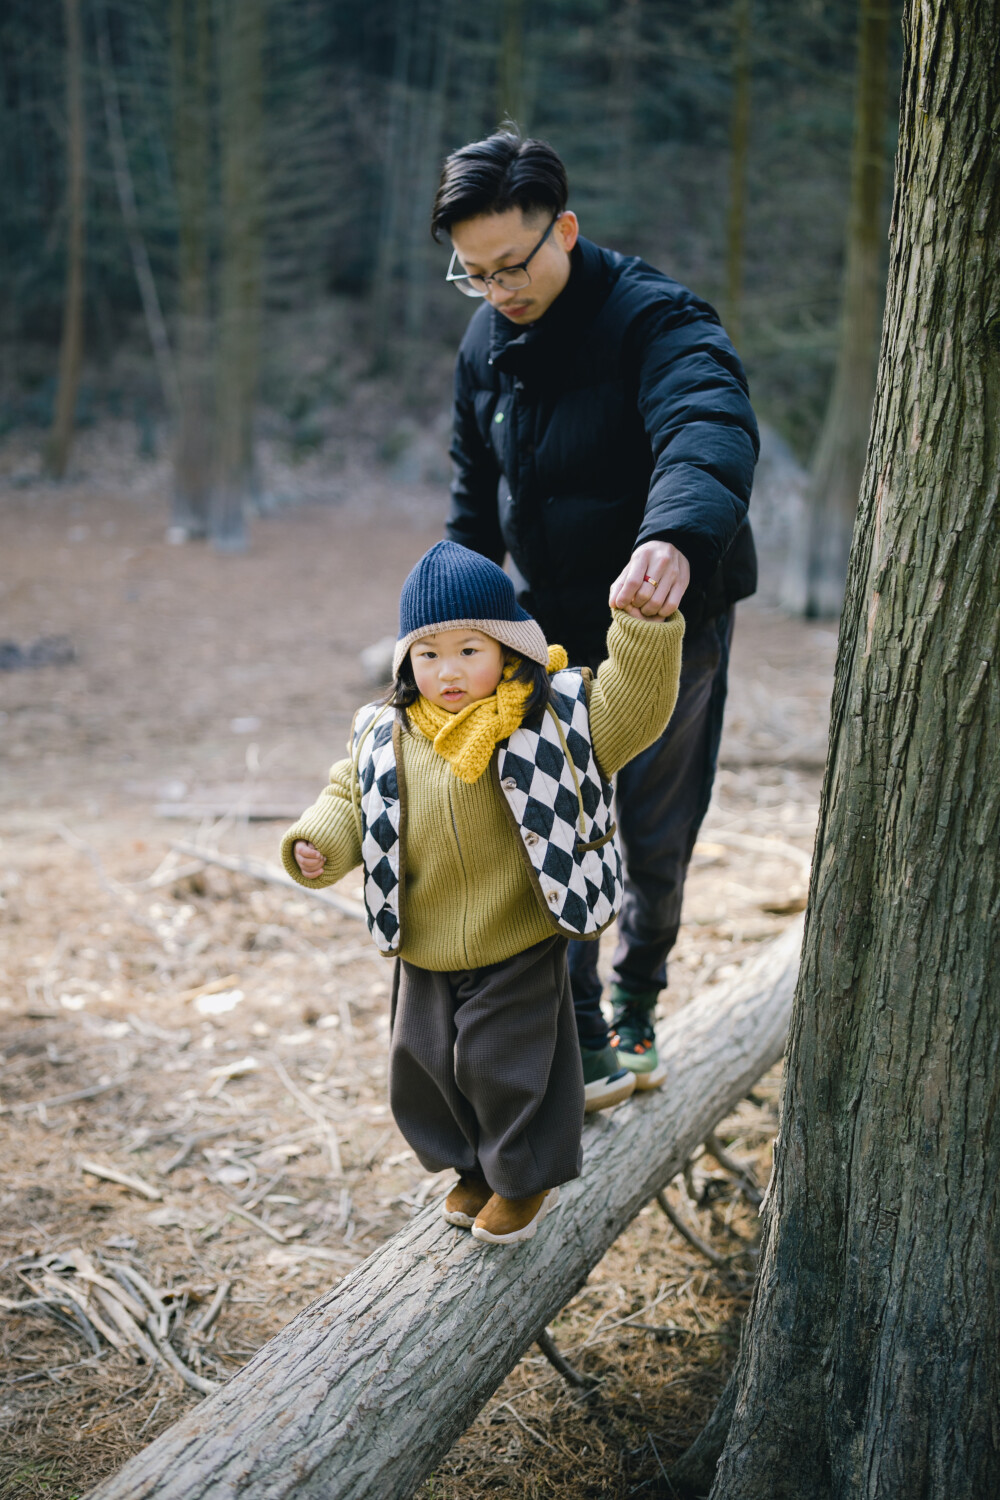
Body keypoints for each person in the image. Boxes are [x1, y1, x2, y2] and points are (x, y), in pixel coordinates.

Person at [432, 130, 759, 1106]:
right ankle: (577, 1036)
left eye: (512, 266)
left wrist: (674, 536)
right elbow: (469, 495)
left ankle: (637, 995)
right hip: (552, 626)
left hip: (667, 618)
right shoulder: (486, 340)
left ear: (564, 229)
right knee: (551, 823)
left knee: (651, 835)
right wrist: (451, 613)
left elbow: (707, 423)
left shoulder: (652, 320)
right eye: (473, 273)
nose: (497, 291)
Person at [281, 541, 684, 1245]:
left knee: (499, 1059)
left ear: (510, 648)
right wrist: (322, 843)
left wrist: (644, 631)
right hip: (425, 938)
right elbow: (349, 796)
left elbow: (637, 708)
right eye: (428, 654)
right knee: (427, 1065)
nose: (449, 671)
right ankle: (471, 1162)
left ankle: (524, 1176)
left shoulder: (553, 719)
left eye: (471, 650)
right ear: (406, 661)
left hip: (518, 931)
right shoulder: (386, 732)